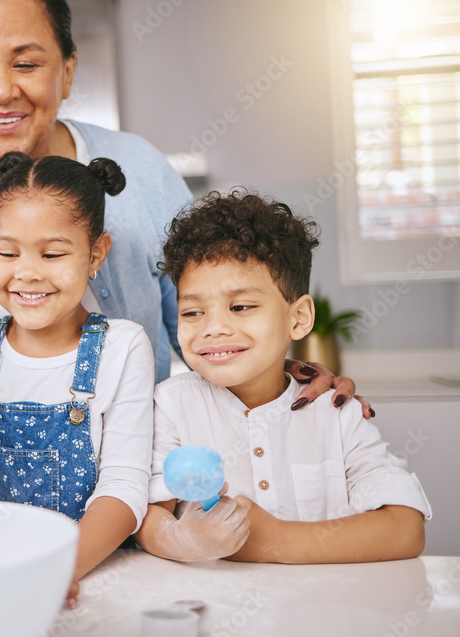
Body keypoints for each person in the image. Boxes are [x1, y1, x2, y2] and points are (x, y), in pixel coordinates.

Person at [0, 0, 362, 417]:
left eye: (25, 63)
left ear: (66, 72)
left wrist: (279, 382)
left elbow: (212, 325)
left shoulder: (143, 172)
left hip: (130, 492)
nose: (1, 90)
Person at [135, 191, 430, 564]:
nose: (213, 328)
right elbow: (145, 517)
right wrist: (182, 540)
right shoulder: (172, 405)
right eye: (193, 312)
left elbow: (405, 528)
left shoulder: (336, 414)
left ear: (299, 318)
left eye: (240, 306)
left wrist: (276, 540)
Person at [0, 152, 153, 606]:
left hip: (82, 580)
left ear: (96, 253)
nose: (27, 272)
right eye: (7, 252)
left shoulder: (123, 347)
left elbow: (124, 488)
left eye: (52, 253)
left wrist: (56, 570)